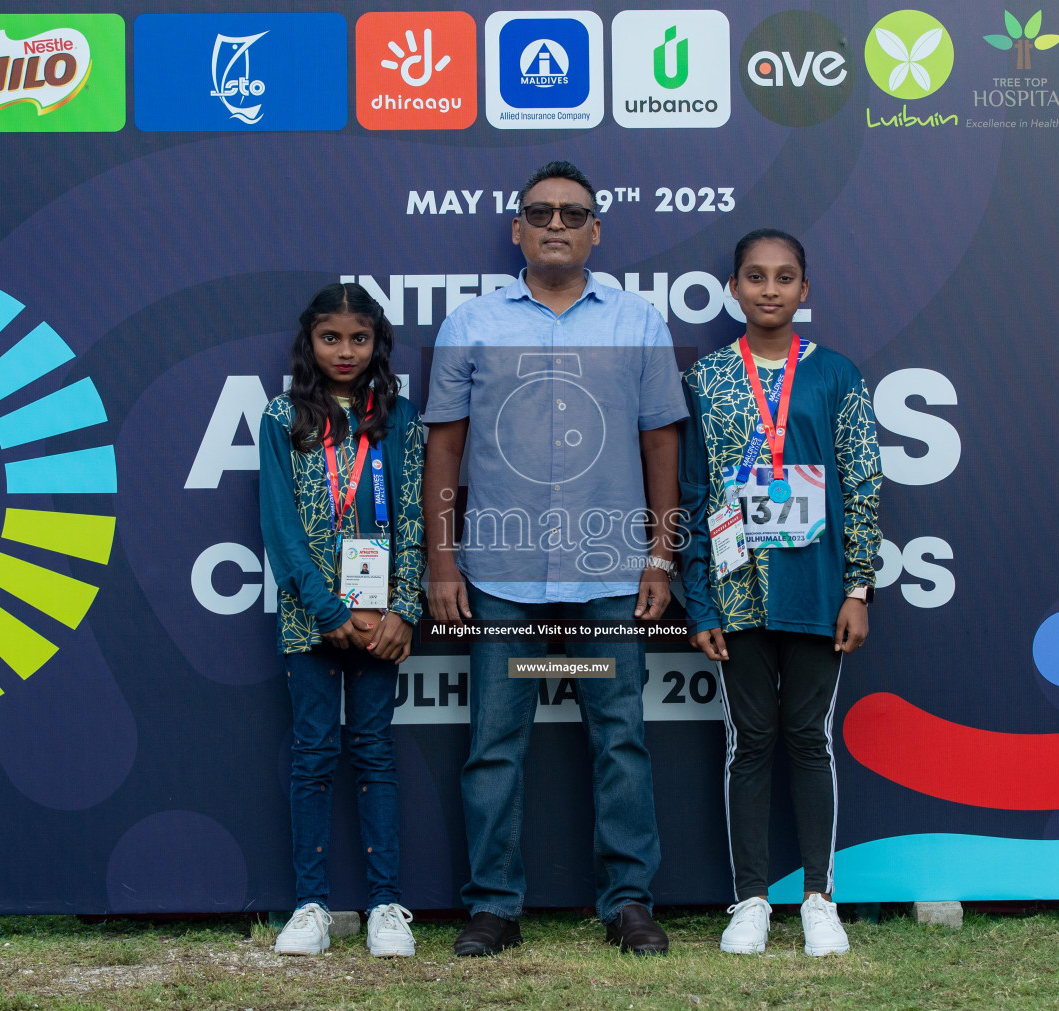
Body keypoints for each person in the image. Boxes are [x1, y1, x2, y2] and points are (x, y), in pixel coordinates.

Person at [422, 160, 687, 956]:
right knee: (495, 743)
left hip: (611, 573)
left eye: (573, 213)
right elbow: (445, 449)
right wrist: (441, 565)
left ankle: (629, 902)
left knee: (621, 739)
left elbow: (660, 442)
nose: (557, 224)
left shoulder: (637, 322)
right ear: (517, 229)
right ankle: (494, 905)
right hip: (500, 577)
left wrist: (660, 557)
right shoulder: (471, 325)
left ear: (597, 229)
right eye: (541, 213)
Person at [679, 229, 882, 957]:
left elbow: (861, 481)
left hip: (816, 588)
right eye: (755, 277)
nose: (769, 289)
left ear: (806, 290)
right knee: (750, 742)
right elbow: (694, 495)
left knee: (807, 738)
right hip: (735, 593)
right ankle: (752, 900)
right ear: (732, 288)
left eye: (785, 277)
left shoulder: (836, 375)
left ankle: (820, 898)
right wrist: (699, 601)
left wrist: (857, 588)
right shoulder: (706, 380)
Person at [258, 283, 425, 958]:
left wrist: (404, 609)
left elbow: (414, 515)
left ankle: (386, 904)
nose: (346, 351)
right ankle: (310, 906)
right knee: (314, 755)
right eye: (332, 338)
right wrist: (326, 609)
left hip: (382, 621)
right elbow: (280, 526)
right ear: (311, 342)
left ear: (378, 344)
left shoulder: (399, 416)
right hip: (312, 621)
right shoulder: (282, 416)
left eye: (359, 338)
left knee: (376, 754)